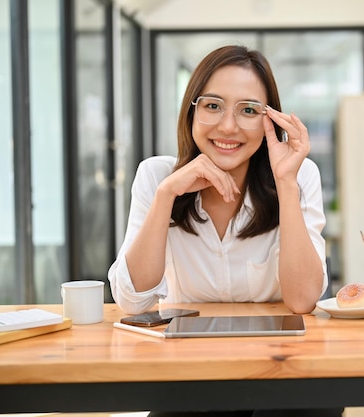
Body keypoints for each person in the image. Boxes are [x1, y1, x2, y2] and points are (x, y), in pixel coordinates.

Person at [108, 45, 342, 417]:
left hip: (284, 369)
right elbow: (133, 303)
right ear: (192, 111)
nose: (228, 127)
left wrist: (286, 184)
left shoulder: (299, 175)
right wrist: (167, 194)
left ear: (270, 122)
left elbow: (302, 301)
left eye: (248, 110)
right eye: (213, 105)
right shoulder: (156, 175)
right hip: (191, 370)